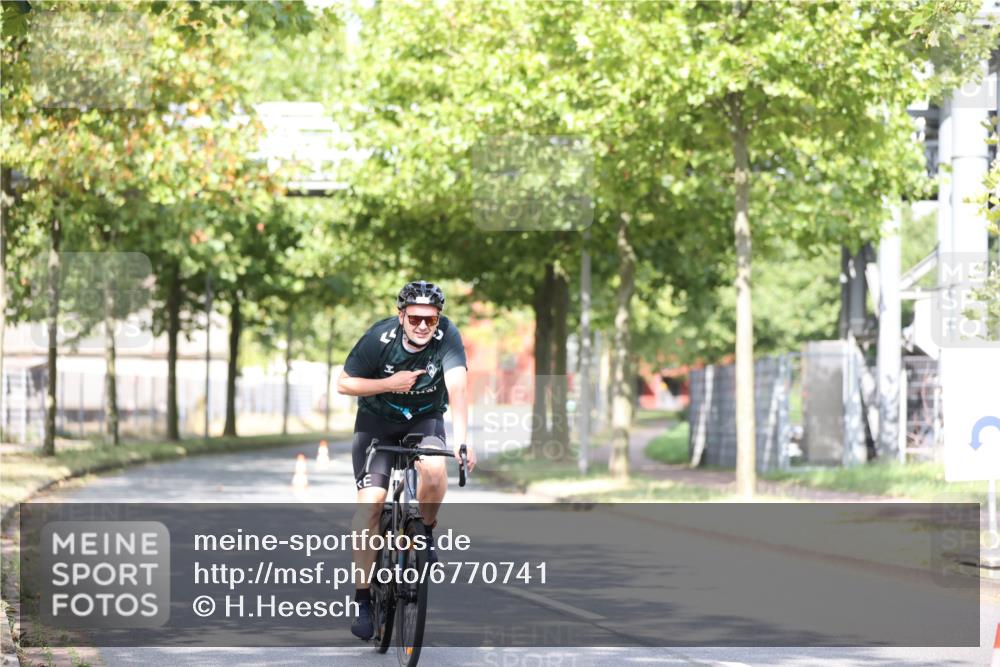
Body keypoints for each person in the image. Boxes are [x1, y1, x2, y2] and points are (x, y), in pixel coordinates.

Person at [336, 280, 477, 640]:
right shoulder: (379, 338)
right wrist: (389, 383)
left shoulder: (447, 337)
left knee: (434, 470)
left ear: (438, 319)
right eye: (415, 318)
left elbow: (458, 387)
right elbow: (345, 383)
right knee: (371, 504)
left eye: (430, 319)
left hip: (424, 419)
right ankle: (363, 599)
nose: (423, 326)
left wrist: (463, 440)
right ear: (401, 316)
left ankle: (424, 530)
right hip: (376, 422)